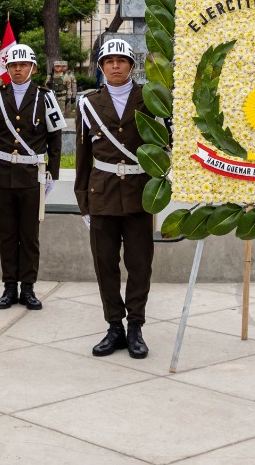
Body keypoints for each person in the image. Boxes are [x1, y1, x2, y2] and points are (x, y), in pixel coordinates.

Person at [75, 38, 159, 359]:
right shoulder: (89, 104)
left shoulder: (149, 100)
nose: (115, 66)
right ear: (101, 66)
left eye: (121, 61)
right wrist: (83, 202)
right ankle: (114, 326)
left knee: (139, 265)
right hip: (102, 195)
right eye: (108, 61)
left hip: (140, 195)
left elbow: (159, 149)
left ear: (131, 66)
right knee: (105, 264)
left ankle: (135, 325)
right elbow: (83, 159)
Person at [0, 43, 65, 311]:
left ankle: (28, 288)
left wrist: (52, 174)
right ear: (7, 68)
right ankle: (9, 287)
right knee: (6, 234)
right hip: (2, 175)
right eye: (13, 65)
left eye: (23, 65)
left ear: (32, 68)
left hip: (32, 175)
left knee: (29, 235)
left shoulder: (46, 97)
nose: (18, 69)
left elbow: (55, 139)